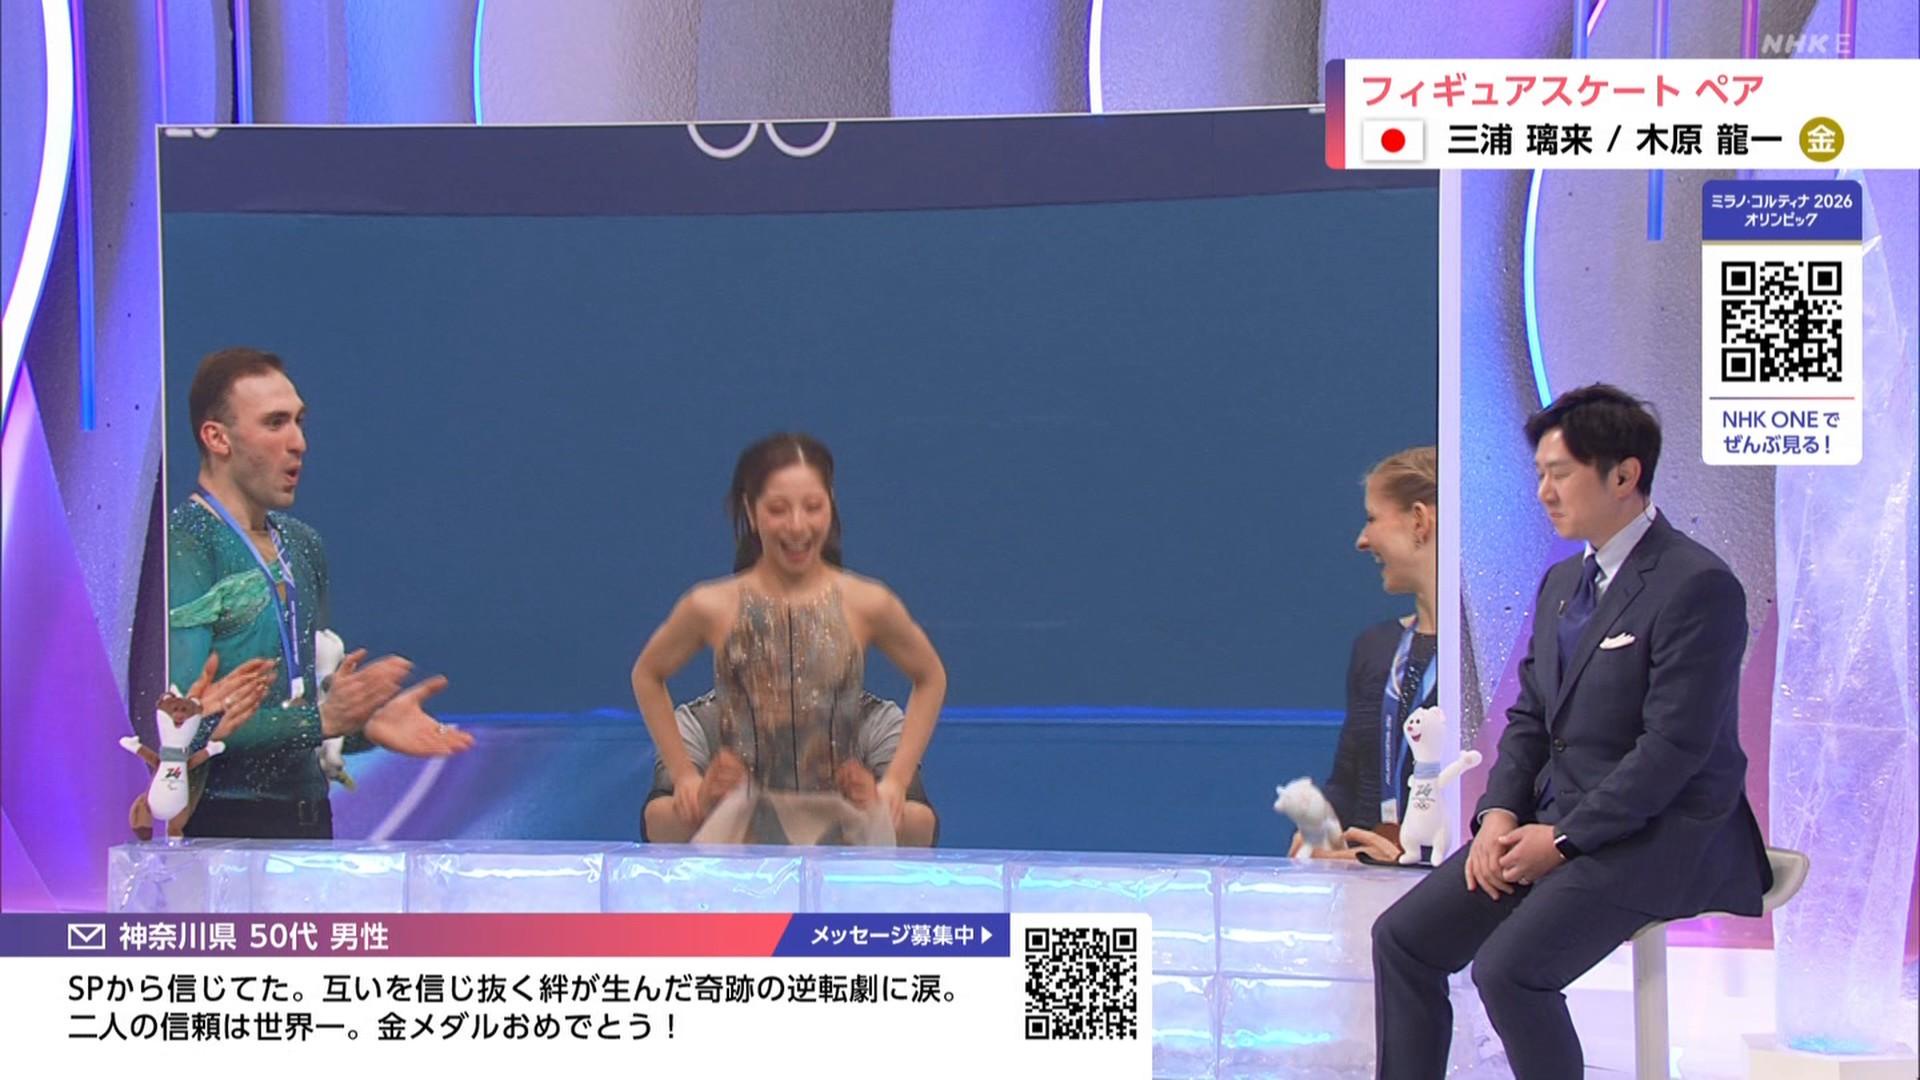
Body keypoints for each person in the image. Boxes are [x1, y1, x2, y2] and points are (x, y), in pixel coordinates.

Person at [1370, 385, 1771, 1078]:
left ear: (1624, 475)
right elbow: (1530, 718)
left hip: (1660, 834)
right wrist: (1498, 815)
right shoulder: (1562, 584)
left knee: (1509, 972)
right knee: (1403, 939)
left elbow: (1672, 751)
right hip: (1551, 822)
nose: (1544, 493)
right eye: (1539, 475)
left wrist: (1561, 840)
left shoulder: (1698, 585)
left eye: (1560, 474)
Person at [168, 347, 474, 839]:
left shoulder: (302, 545)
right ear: (217, 437)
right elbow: (182, 724)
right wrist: (325, 720)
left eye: (299, 421)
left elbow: (302, 709)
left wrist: (363, 727)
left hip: (309, 820)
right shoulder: (185, 545)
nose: (298, 443)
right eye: (275, 423)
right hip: (219, 825)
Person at [631, 433, 946, 846]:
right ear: (751, 510)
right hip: (739, 823)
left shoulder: (868, 603)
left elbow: (930, 676)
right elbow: (647, 674)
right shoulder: (711, 605)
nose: (798, 526)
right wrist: (687, 778)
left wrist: (895, 783)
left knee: (914, 825)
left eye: (812, 507)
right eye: (778, 509)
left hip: (842, 821)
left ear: (831, 504)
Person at [1295, 447, 1438, 863]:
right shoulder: (1375, 648)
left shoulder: (1486, 661)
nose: (1362, 540)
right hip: (1361, 886)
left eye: (1373, 518)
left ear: (1419, 521)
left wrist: (1399, 859)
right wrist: (1319, 832)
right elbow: (1348, 781)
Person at [642, 690, 939, 845]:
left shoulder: (876, 721)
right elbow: (657, 827)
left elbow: (922, 830)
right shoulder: (699, 723)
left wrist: (874, 810)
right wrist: (702, 804)